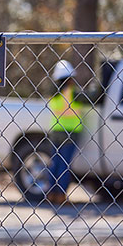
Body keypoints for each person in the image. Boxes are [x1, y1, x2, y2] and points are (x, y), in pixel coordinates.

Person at [47, 60, 85, 206]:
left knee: (55, 162)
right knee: (64, 164)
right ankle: (61, 195)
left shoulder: (53, 93)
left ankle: (51, 193)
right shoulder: (73, 92)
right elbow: (93, 97)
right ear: (69, 77)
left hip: (56, 131)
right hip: (70, 132)